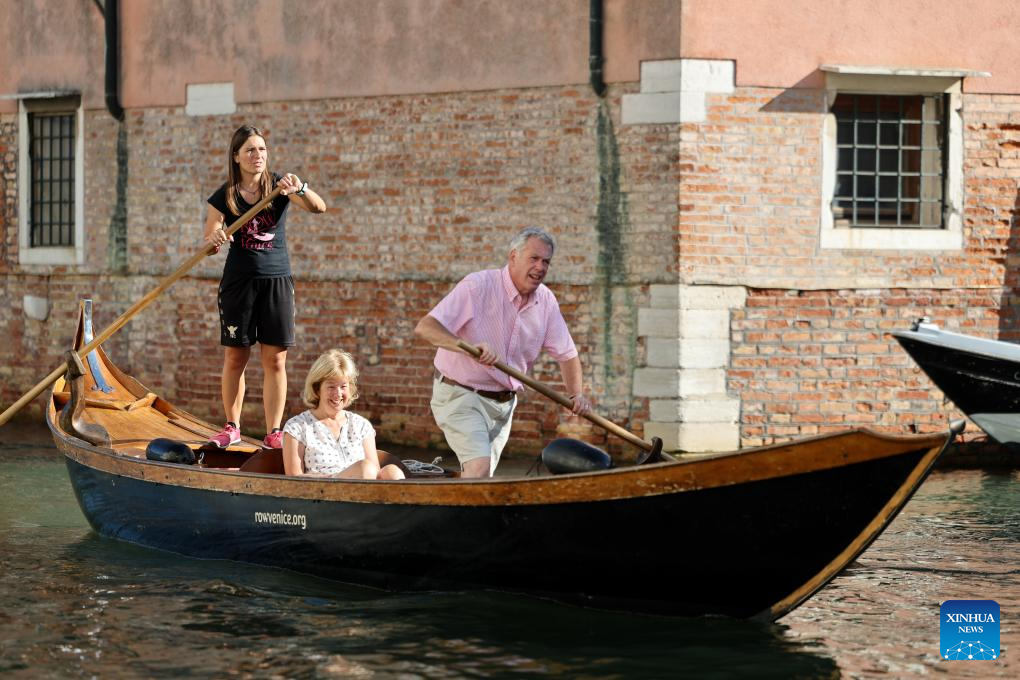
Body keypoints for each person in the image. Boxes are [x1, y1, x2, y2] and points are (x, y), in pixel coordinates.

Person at [414, 227, 592, 478]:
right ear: (513, 257)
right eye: (534, 258)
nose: (540, 267)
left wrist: (576, 394)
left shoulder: (546, 301)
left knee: (481, 478)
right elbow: (426, 327)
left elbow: (567, 354)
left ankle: (454, 501)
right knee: (479, 469)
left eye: (546, 261)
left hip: (503, 405)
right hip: (461, 394)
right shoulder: (478, 286)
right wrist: (467, 348)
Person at [203, 124, 327, 449]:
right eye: (250, 150)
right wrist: (215, 237)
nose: (257, 155)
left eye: (262, 149)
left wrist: (300, 188)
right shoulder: (224, 196)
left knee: (275, 361)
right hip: (239, 284)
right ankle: (232, 427)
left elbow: (319, 207)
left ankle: (274, 432)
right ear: (236, 157)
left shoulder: (280, 186)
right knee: (235, 358)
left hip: (277, 281)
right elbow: (209, 241)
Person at [282, 349, 405, 480]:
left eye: (343, 386)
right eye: (331, 386)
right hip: (321, 490)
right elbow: (294, 479)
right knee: (365, 468)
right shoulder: (297, 427)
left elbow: (376, 474)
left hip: (367, 487)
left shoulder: (361, 425)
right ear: (317, 389)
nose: (338, 394)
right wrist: (337, 476)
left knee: (391, 471)